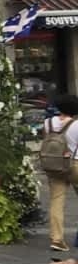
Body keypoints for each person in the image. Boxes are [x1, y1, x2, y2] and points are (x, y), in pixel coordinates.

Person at [42, 94, 78, 252]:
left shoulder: (47, 122)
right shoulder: (76, 125)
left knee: (56, 201)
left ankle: (57, 239)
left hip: (54, 164)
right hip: (75, 164)